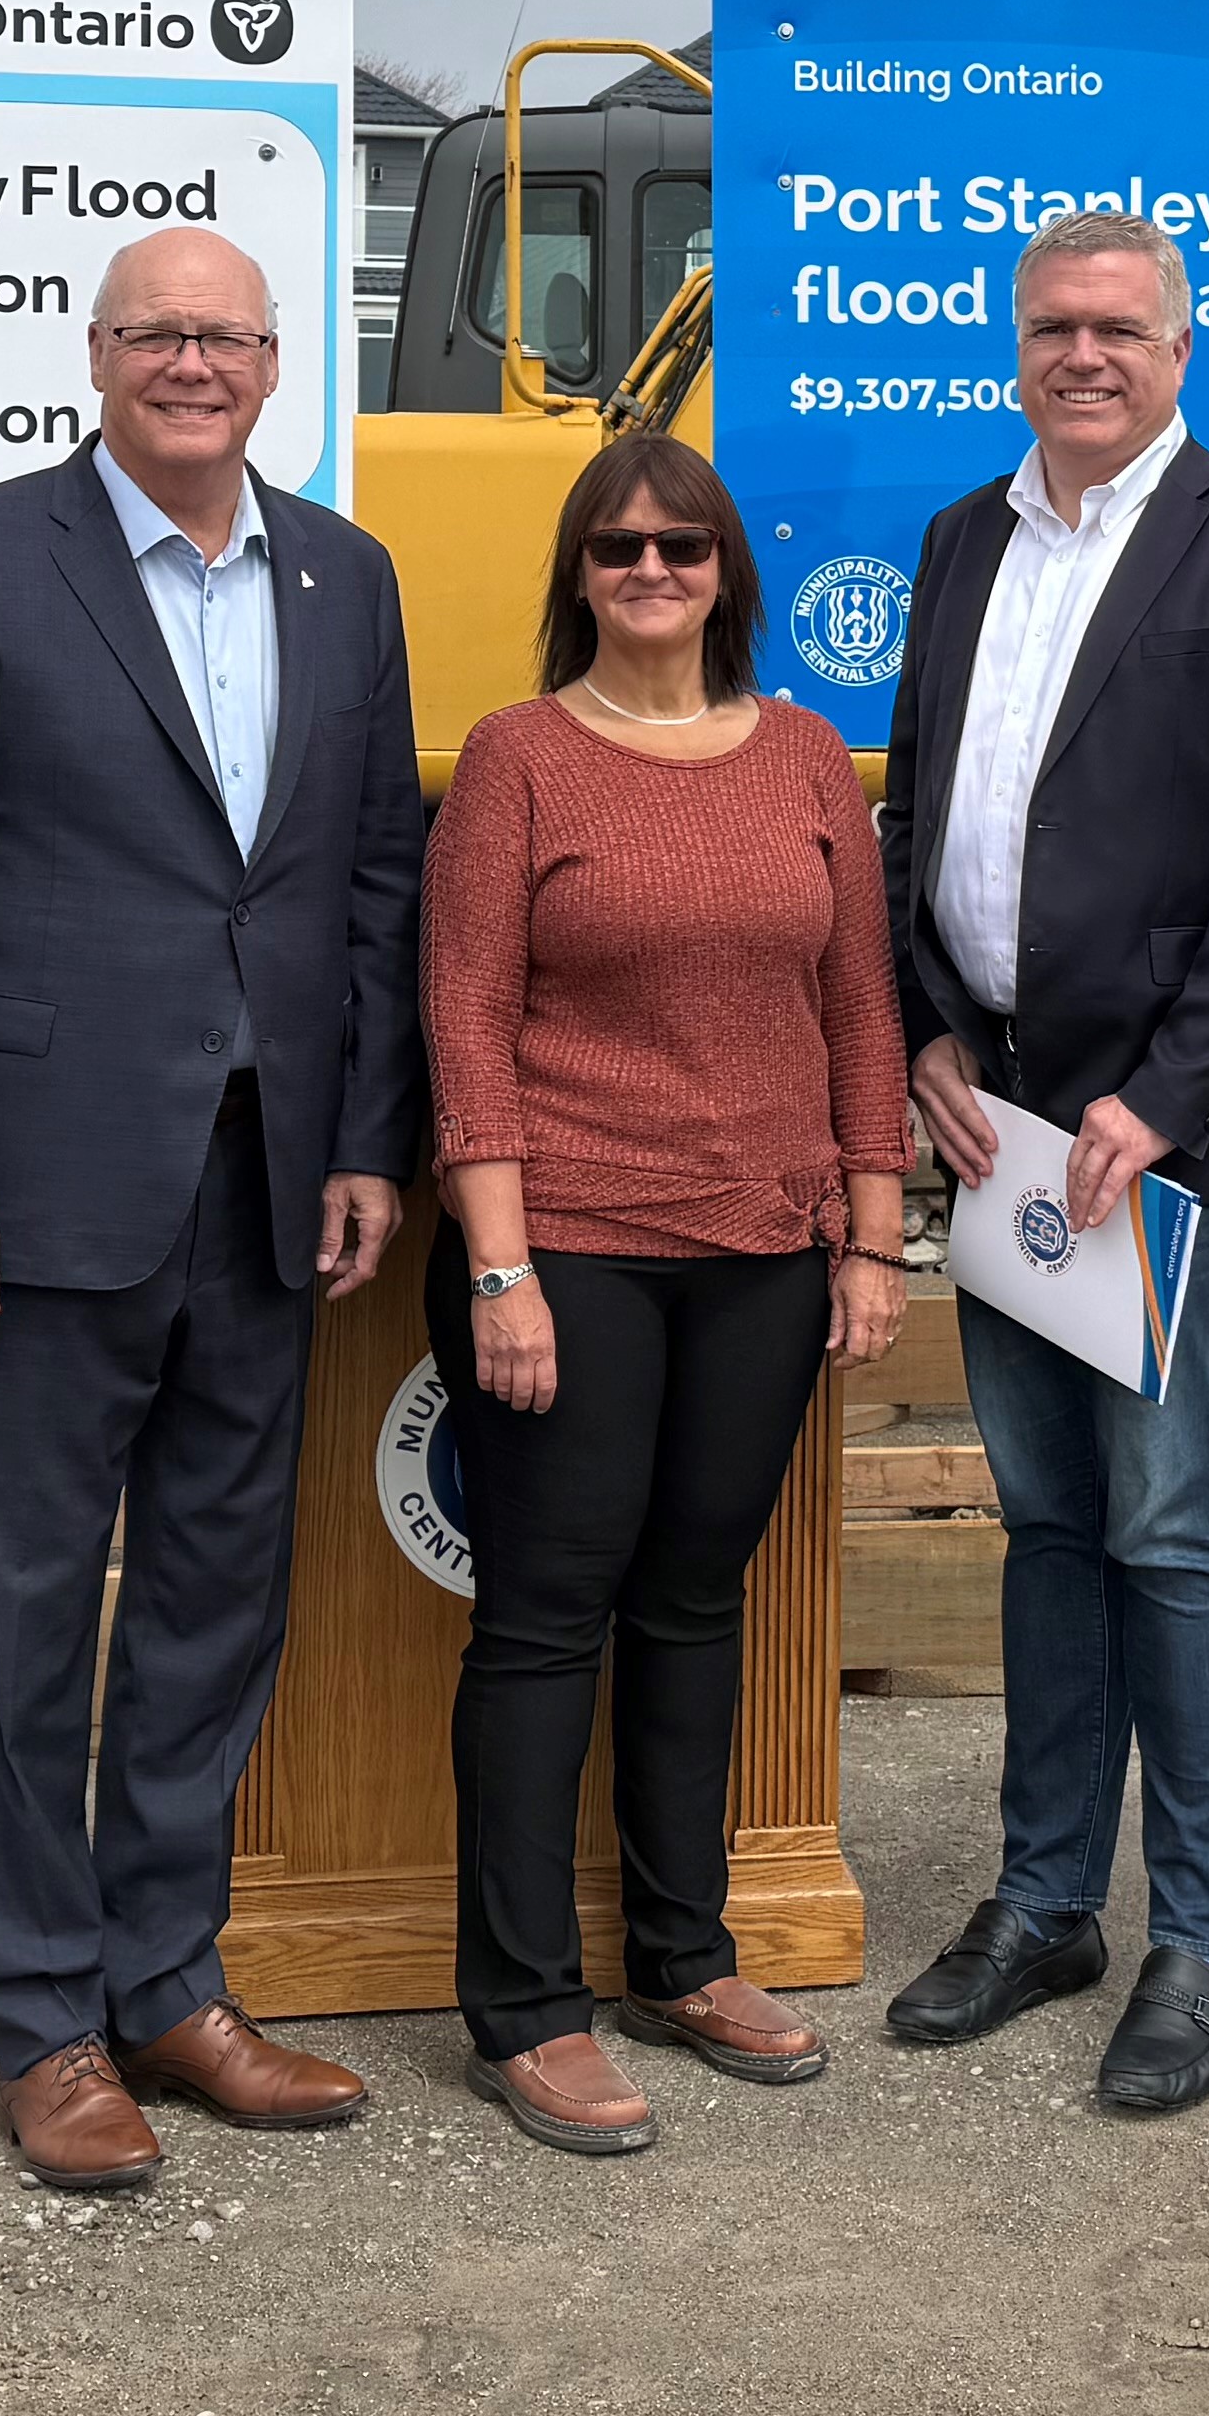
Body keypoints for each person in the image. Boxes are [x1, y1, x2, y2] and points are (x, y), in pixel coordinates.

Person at [0, 225, 421, 2195]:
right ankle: (42, 2020)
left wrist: (361, 1139)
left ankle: (170, 1976)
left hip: (265, 1191)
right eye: (158, 333)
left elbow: (366, 884)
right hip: (35, 1193)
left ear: (273, 366)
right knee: (17, 1619)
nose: (193, 365)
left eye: (225, 337)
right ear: (98, 358)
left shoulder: (345, 578)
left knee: (211, 1601)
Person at [877, 207, 1209, 2115]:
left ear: (1182, 347)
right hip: (999, 1126)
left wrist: (1160, 1096)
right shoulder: (962, 539)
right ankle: (1042, 1903)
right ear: (1018, 341)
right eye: (1053, 326)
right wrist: (923, 1019)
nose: (1083, 355)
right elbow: (923, 800)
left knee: (1173, 1526)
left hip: (1156, 1143)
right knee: (1047, 1523)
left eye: (1119, 329)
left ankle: (1204, 1945)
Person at [420, 430, 914, 2155]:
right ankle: (524, 2005)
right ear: (576, 574)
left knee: (701, 1607)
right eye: (617, 549)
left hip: (765, 1254)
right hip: (568, 1246)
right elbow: (465, 1023)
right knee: (549, 1618)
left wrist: (869, 1237)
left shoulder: (802, 761)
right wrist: (500, 1268)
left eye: (680, 549)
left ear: (726, 574)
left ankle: (682, 1958)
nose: (648, 573)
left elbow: (862, 1010)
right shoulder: (518, 761)